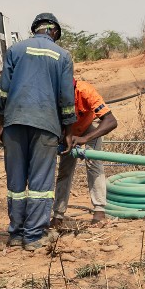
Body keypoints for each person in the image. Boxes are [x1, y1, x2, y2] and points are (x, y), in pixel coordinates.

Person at [0, 13, 76, 250]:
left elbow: (3, 92)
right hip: (45, 125)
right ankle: (33, 237)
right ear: (54, 32)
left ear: (35, 30)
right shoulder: (63, 56)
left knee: (16, 183)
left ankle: (16, 234)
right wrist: (68, 130)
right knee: (41, 183)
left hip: (14, 123)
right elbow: (66, 99)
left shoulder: (16, 50)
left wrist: (1, 124)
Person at [53, 79, 118, 228]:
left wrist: (85, 138)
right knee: (64, 171)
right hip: (65, 133)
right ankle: (57, 215)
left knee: (94, 164)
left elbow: (111, 121)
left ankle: (99, 212)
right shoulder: (51, 92)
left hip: (87, 129)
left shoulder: (85, 91)